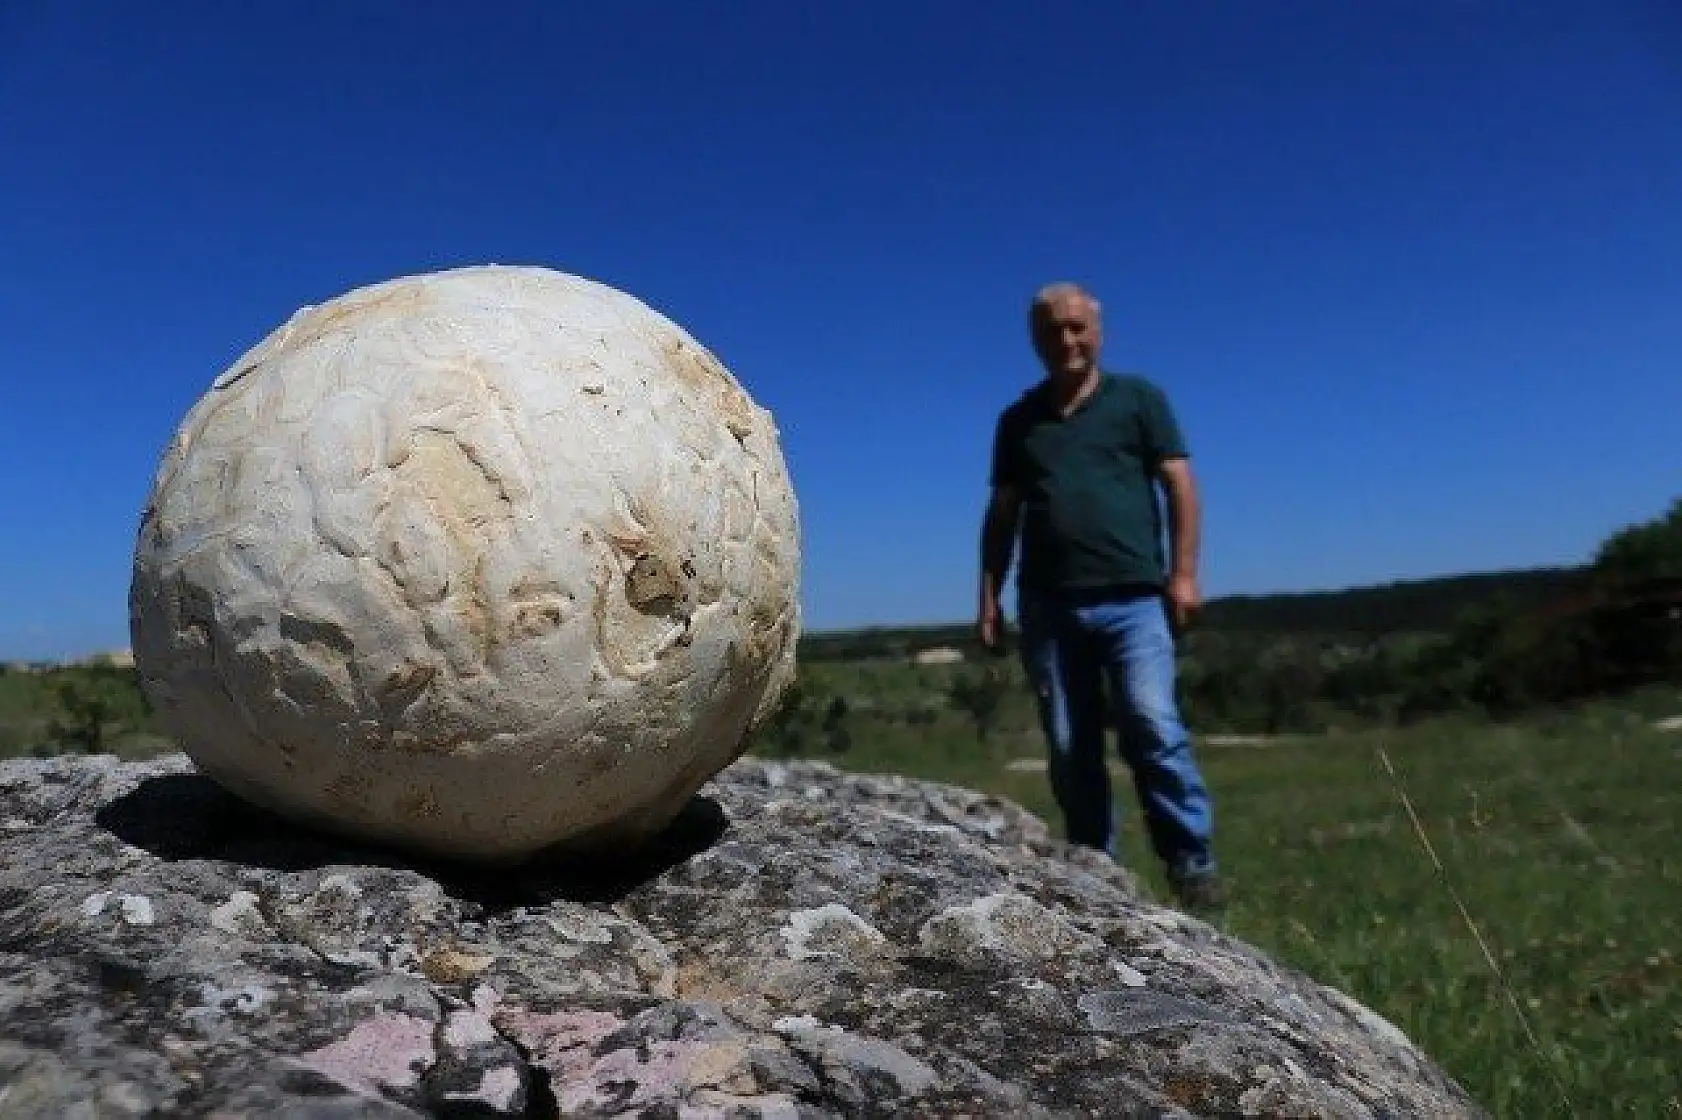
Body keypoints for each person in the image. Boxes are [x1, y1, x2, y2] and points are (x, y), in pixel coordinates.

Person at [977, 281, 1224, 910]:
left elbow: (1181, 486)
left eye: (1077, 327)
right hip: (1050, 604)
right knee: (1069, 742)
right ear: (1036, 340)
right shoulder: (1020, 422)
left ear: (1098, 332)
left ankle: (1191, 863)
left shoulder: (1138, 401)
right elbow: (1002, 515)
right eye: (1053, 330)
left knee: (1153, 724)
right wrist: (988, 597)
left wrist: (1185, 574)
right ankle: (1096, 867)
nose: (1067, 340)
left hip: (1135, 599)